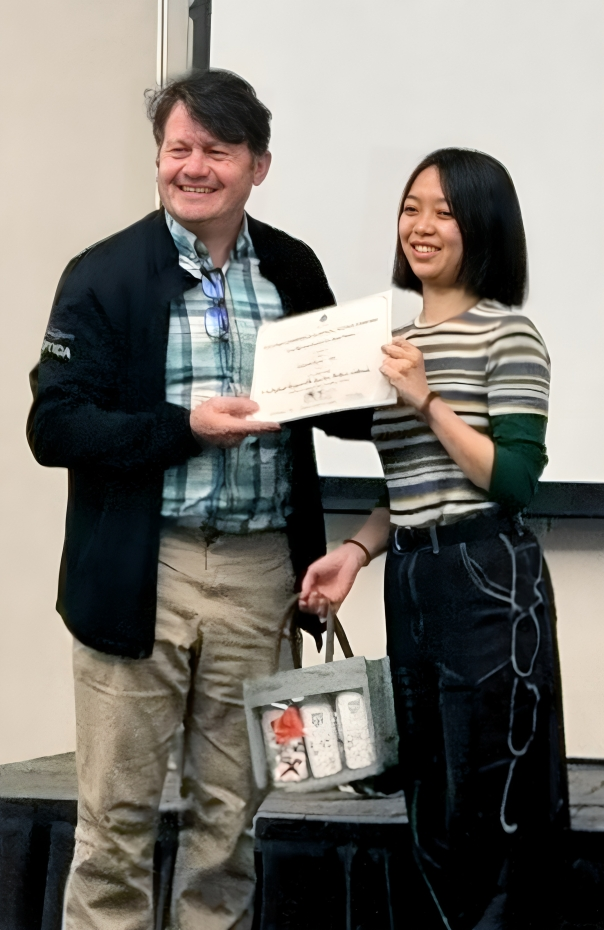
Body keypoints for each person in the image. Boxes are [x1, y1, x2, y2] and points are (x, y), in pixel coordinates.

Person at [27, 69, 372, 930]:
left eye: (216, 151)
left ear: (258, 166)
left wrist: (411, 379)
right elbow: (55, 426)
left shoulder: (292, 268)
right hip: (144, 568)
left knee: (228, 833)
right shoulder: (103, 274)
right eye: (177, 148)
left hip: (262, 575)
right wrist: (184, 429)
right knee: (115, 830)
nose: (192, 167)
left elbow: (337, 406)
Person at [300, 149, 568, 929]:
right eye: (411, 207)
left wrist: (425, 400)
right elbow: (414, 487)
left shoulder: (508, 334)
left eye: (445, 212)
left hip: (488, 580)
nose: (421, 225)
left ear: (483, 227)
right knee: (430, 797)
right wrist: (354, 552)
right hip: (414, 581)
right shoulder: (395, 344)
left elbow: (514, 479)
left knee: (491, 797)